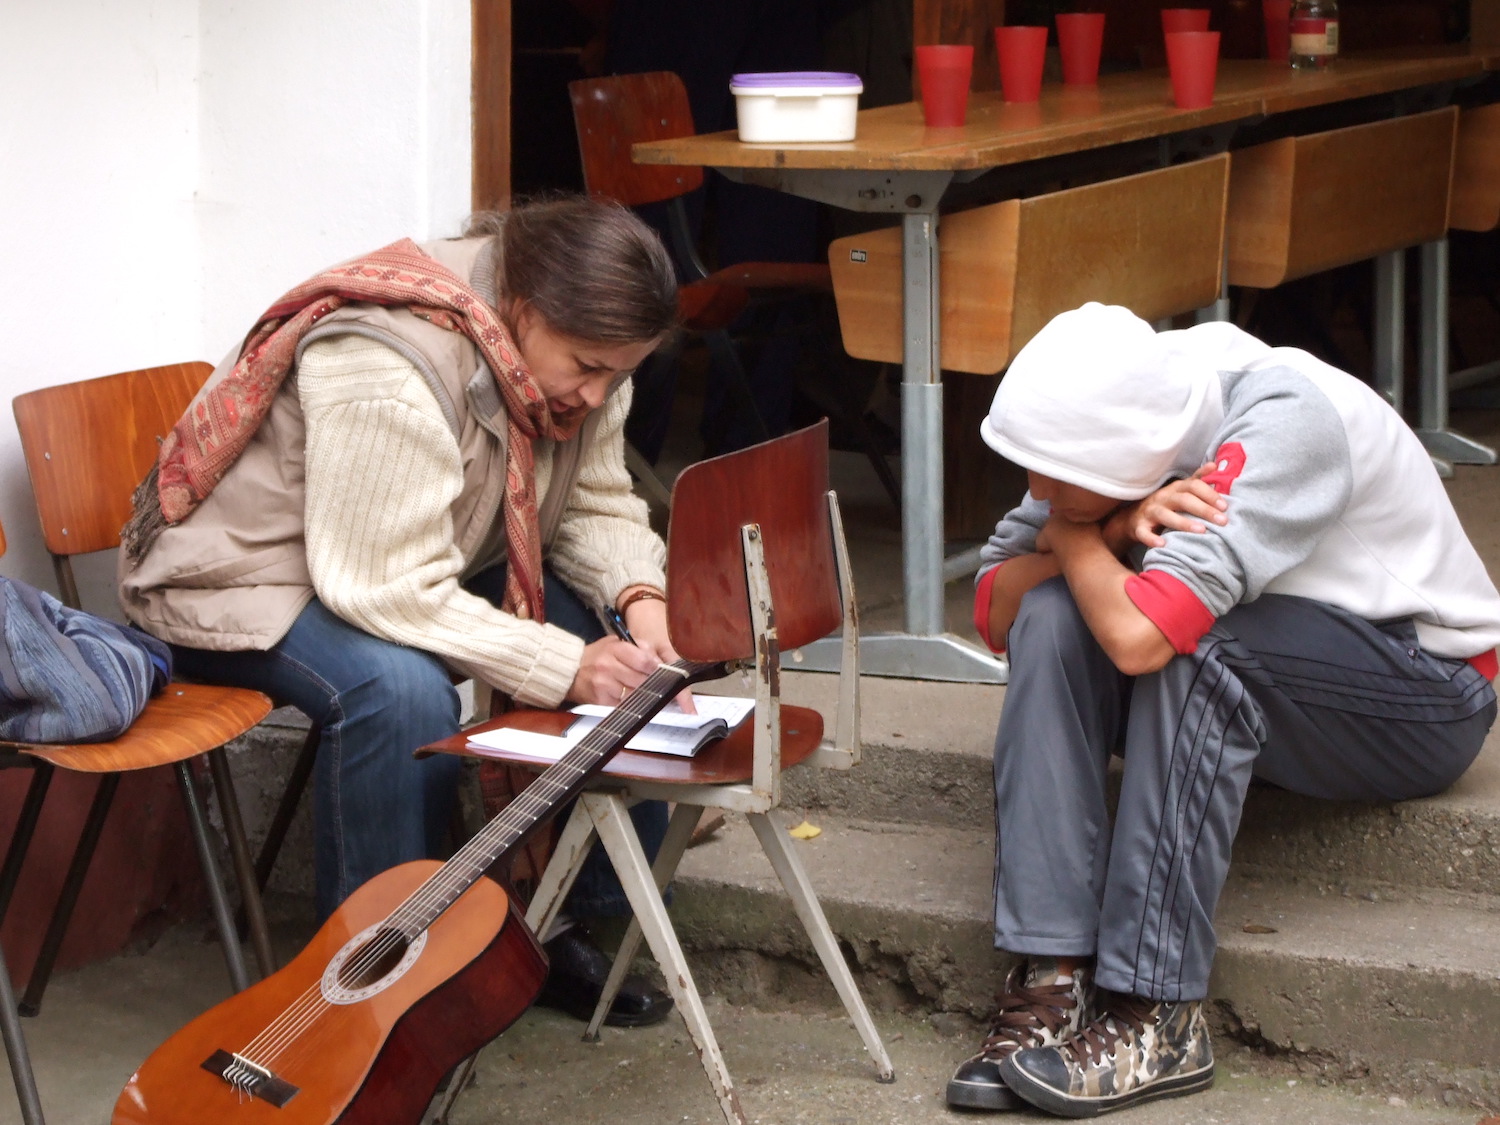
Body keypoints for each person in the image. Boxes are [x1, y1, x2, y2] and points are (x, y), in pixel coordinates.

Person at [118, 195, 687, 1028]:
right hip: (236, 578)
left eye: (621, 374)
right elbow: (380, 584)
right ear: (524, 309)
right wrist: (565, 665)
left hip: (381, 554)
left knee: (609, 636)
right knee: (398, 689)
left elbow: (589, 501)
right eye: (587, 366)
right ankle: (370, 988)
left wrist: (641, 598)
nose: (598, 393)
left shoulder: (576, 358)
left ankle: (542, 918)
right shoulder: (388, 358)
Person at [946, 303, 1500, 1117]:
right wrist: (1098, 528)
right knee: (1056, 614)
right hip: (1287, 683)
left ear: (1143, 457)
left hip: (1425, 690)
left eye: (1058, 480)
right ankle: (1051, 975)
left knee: (1190, 640)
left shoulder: (1284, 422)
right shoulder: (1113, 400)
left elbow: (1140, 639)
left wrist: (1074, 542)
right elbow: (996, 606)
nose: (1037, 491)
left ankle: (1157, 1013)